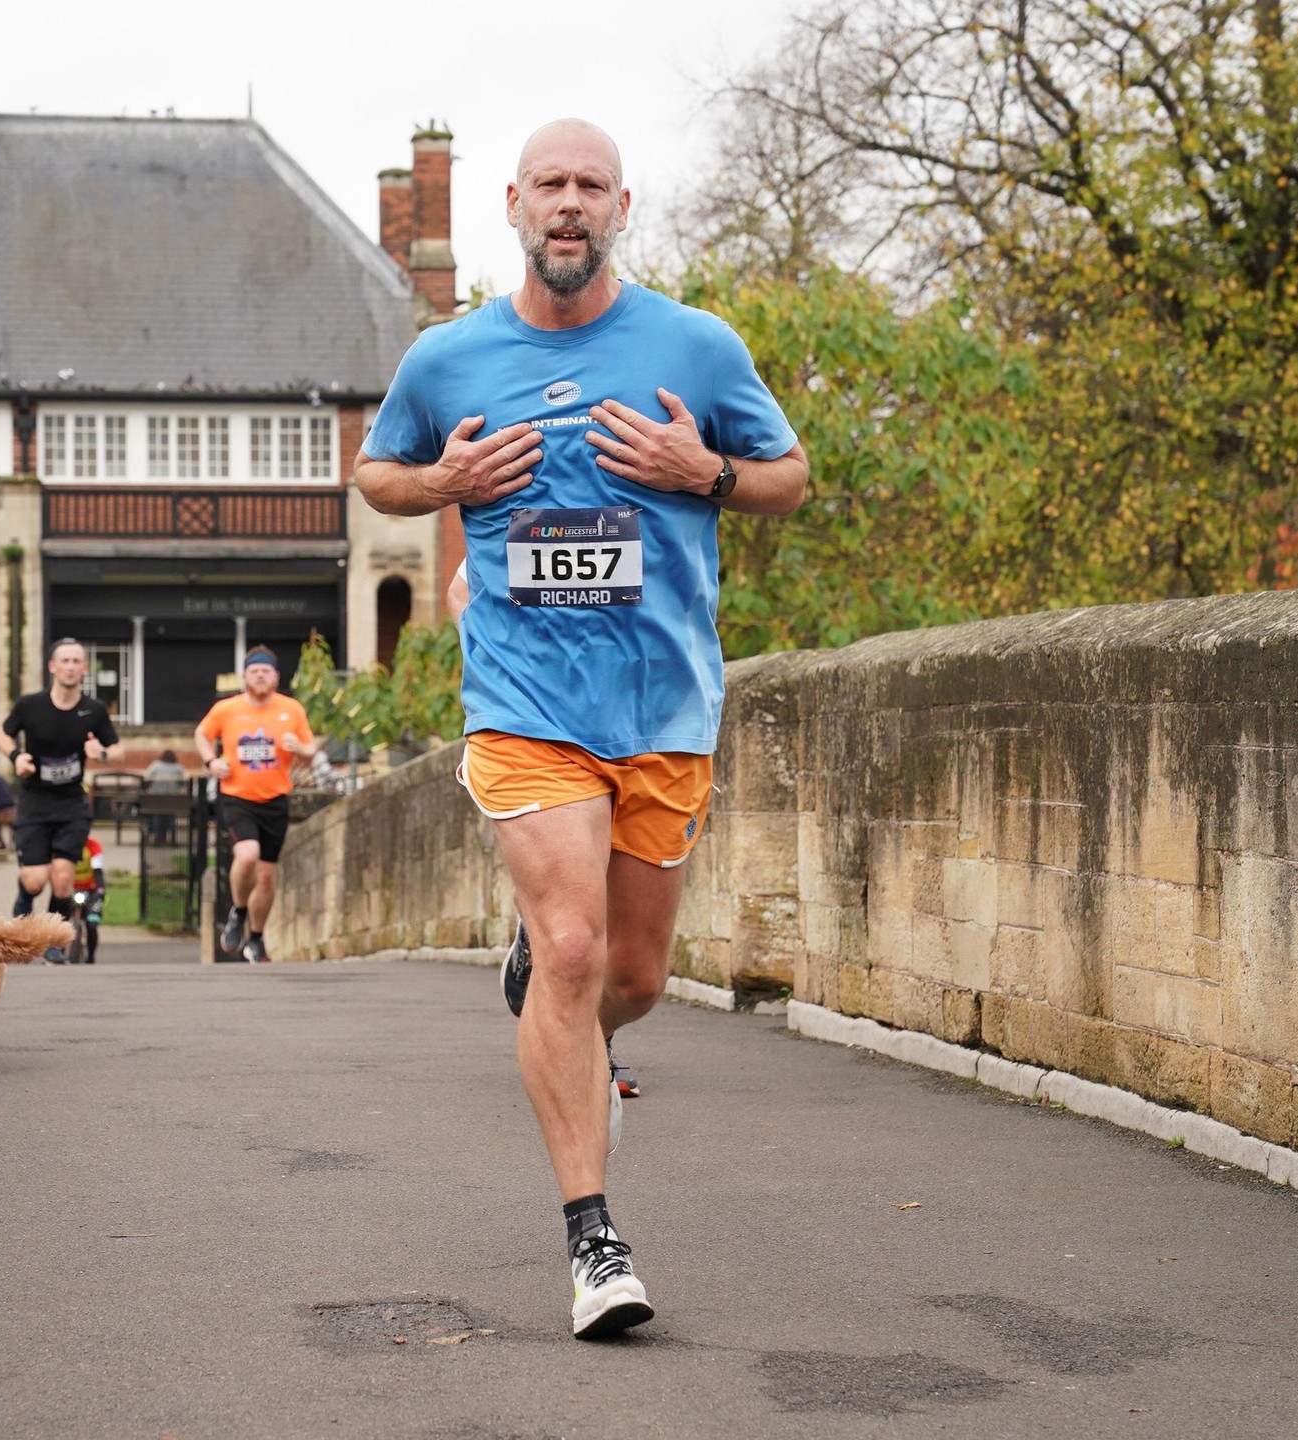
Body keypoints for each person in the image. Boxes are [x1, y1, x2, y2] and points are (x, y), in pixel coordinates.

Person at [354, 118, 806, 1340]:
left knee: (633, 978)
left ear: (621, 207)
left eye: (589, 187)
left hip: (663, 704)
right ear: (512, 205)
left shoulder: (695, 346)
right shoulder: (450, 358)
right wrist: (441, 484)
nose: (569, 204)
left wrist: (698, 468)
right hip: (526, 702)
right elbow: (375, 472)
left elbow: (789, 477)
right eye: (549, 185)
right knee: (569, 950)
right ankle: (594, 1239)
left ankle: (558, 1002)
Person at [446, 560, 642, 1098]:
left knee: (637, 977)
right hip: (536, 728)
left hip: (641, 724)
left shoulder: (646, 494)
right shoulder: (533, 493)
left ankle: (591, 1033)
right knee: (576, 935)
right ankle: (586, 1053)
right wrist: (497, 660)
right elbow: (461, 590)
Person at [0, 638, 123, 953]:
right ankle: (24, 896)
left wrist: (102, 752)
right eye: (64, 661)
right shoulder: (30, 705)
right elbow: (2, 733)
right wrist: (16, 758)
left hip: (71, 804)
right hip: (35, 802)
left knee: (64, 878)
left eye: (76, 661)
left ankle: (53, 943)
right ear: (52, 667)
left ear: (84, 668)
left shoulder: (93, 710)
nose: (70, 666)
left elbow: (119, 748)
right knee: (36, 880)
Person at [194, 646, 319, 965]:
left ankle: (257, 939)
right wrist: (211, 761)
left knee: (266, 876)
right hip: (237, 796)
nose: (260, 675)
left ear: (276, 677)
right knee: (247, 855)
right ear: (244, 676)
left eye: (266, 671)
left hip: (275, 798)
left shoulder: (291, 709)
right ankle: (237, 911)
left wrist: (300, 748)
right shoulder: (227, 709)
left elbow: (311, 749)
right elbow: (202, 734)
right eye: (254, 671)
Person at [69, 832, 105, 964]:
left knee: (91, 923)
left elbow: (98, 869)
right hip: (72, 890)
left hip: (92, 890)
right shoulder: (67, 844)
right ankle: (59, 952)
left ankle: (91, 955)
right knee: (62, 919)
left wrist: (100, 889)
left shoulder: (93, 845)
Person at [143, 748, 188, 843]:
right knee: (171, 816)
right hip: (172, 798)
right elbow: (183, 782)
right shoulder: (178, 767)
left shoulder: (156, 765)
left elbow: (147, 778)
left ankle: (156, 836)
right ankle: (171, 838)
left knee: (156, 815)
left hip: (157, 797)